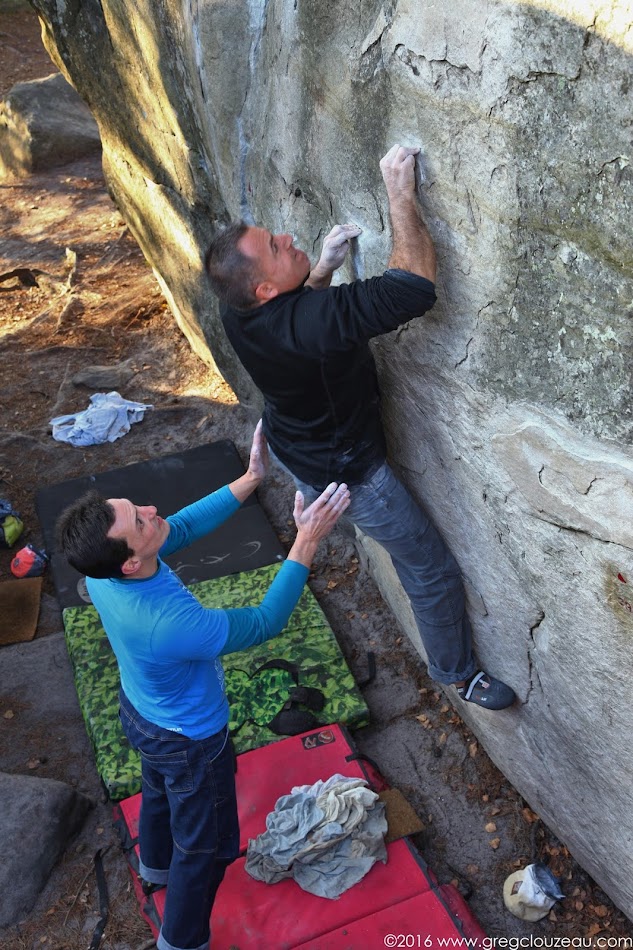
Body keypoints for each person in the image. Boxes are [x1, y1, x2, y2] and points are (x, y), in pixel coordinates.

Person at [205, 144, 515, 712]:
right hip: (348, 475)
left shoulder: (238, 308)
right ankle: (458, 672)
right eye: (277, 247)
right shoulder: (307, 322)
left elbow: (298, 320)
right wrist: (400, 192)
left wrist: (319, 269)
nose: (289, 239)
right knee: (429, 567)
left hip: (297, 443)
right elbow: (414, 286)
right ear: (265, 291)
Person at [56, 422, 350, 950]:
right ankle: (182, 940)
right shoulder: (172, 624)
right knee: (206, 848)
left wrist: (251, 478)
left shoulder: (105, 571)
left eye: (135, 506)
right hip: (191, 742)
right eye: (140, 520)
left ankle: (155, 863)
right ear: (131, 559)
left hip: (142, 714)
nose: (150, 510)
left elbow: (179, 527)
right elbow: (264, 622)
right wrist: (306, 541)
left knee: (158, 788)